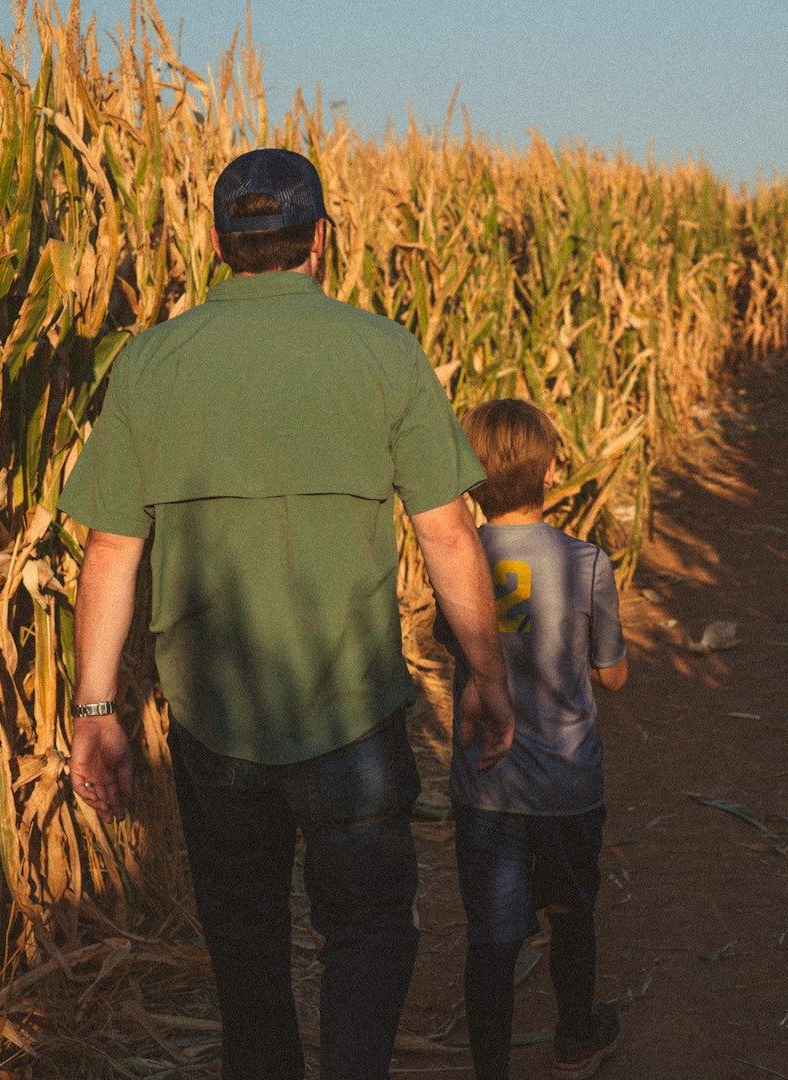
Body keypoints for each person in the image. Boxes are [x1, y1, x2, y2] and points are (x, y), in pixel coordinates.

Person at [58, 147, 519, 1080]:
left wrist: (95, 712)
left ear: (221, 243)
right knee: (369, 927)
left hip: (214, 727)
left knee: (244, 939)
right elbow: (451, 537)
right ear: (320, 240)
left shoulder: (150, 363)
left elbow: (111, 550)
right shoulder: (382, 351)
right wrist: (486, 676)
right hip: (351, 718)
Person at [440, 399, 629, 1080]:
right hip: (568, 784)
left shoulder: (457, 563)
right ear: (551, 472)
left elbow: (458, 651)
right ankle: (576, 1037)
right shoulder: (585, 563)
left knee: (491, 936)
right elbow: (611, 675)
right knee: (572, 913)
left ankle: (491, 1066)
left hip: (487, 788)